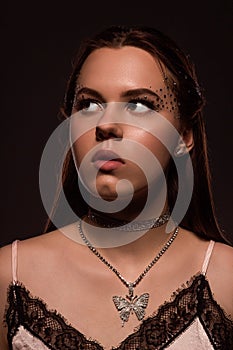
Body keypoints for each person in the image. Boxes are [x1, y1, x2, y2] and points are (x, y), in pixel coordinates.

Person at [0, 24, 232, 350]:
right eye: (89, 105)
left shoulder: (226, 280)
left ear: (183, 136)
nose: (106, 124)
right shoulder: (9, 276)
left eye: (139, 105)